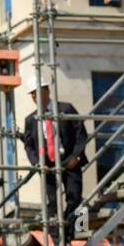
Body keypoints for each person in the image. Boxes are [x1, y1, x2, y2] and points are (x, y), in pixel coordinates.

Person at [22, 81, 88, 231]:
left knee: (74, 196)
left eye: (37, 93)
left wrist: (76, 156)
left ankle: (76, 231)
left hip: (69, 160)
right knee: (51, 202)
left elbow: (81, 134)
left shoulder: (66, 109)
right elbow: (29, 145)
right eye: (32, 95)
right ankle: (57, 237)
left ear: (47, 91)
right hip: (47, 164)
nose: (35, 97)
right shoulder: (31, 120)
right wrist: (37, 163)